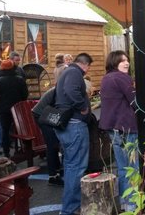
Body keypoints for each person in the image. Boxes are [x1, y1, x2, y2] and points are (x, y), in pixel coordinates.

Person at [99, 50, 138, 212]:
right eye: (122, 61)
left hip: (112, 128)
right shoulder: (122, 78)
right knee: (133, 168)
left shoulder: (106, 78)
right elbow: (136, 102)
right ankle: (134, 204)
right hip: (127, 127)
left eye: (127, 60)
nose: (127, 63)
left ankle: (125, 203)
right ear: (115, 62)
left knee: (122, 167)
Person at [54, 53, 93, 215]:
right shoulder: (74, 72)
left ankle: (70, 207)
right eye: (89, 66)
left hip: (68, 125)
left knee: (71, 166)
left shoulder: (67, 71)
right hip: (75, 125)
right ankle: (70, 208)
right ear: (85, 65)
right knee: (76, 167)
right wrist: (83, 106)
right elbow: (71, 90)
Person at [0, 59, 29, 158]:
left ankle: (6, 152)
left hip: (4, 110)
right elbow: (25, 94)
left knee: (5, 130)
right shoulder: (20, 79)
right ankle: (22, 149)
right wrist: (20, 103)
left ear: (2, 68)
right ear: (13, 67)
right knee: (20, 129)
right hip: (18, 108)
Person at [31, 87, 64, 186]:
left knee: (54, 142)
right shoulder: (61, 90)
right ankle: (52, 176)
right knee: (52, 144)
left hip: (43, 112)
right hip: (41, 114)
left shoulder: (61, 87)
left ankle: (57, 169)